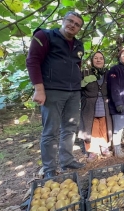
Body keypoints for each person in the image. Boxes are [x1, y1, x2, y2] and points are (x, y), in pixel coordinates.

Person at [26, 11, 85, 179]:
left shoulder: (78, 45)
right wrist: (39, 89)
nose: (73, 25)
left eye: (77, 24)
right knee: (50, 131)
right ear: (63, 20)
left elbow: (77, 65)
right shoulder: (45, 35)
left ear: (79, 29)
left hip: (73, 92)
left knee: (70, 128)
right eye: (70, 21)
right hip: (52, 91)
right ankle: (49, 168)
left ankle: (67, 160)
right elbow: (32, 61)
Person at [78, 51, 113, 162]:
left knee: (104, 126)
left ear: (104, 61)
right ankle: (92, 151)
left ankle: (104, 147)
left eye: (101, 58)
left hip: (104, 104)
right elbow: (78, 89)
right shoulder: (85, 73)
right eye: (96, 58)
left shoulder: (108, 73)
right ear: (92, 61)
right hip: (89, 105)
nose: (98, 60)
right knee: (90, 127)